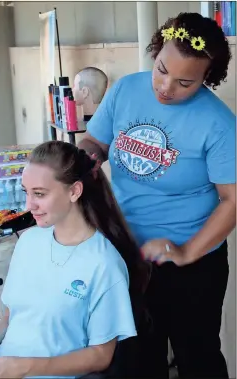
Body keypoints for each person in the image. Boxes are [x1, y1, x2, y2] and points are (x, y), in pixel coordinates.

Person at [78, 12, 236, 379]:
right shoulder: (124, 90)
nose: (166, 87)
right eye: (161, 69)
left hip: (193, 266)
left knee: (197, 357)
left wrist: (185, 252)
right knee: (137, 357)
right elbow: (95, 141)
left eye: (185, 82)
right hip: (125, 253)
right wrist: (86, 157)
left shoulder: (219, 123)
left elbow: (233, 201)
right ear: (155, 51)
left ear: (206, 78)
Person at [0, 141, 150, 379]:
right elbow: (13, 317)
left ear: (74, 191)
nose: (29, 205)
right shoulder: (28, 242)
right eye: (26, 192)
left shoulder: (104, 264)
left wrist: (24, 367)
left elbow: (101, 356)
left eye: (39, 194)